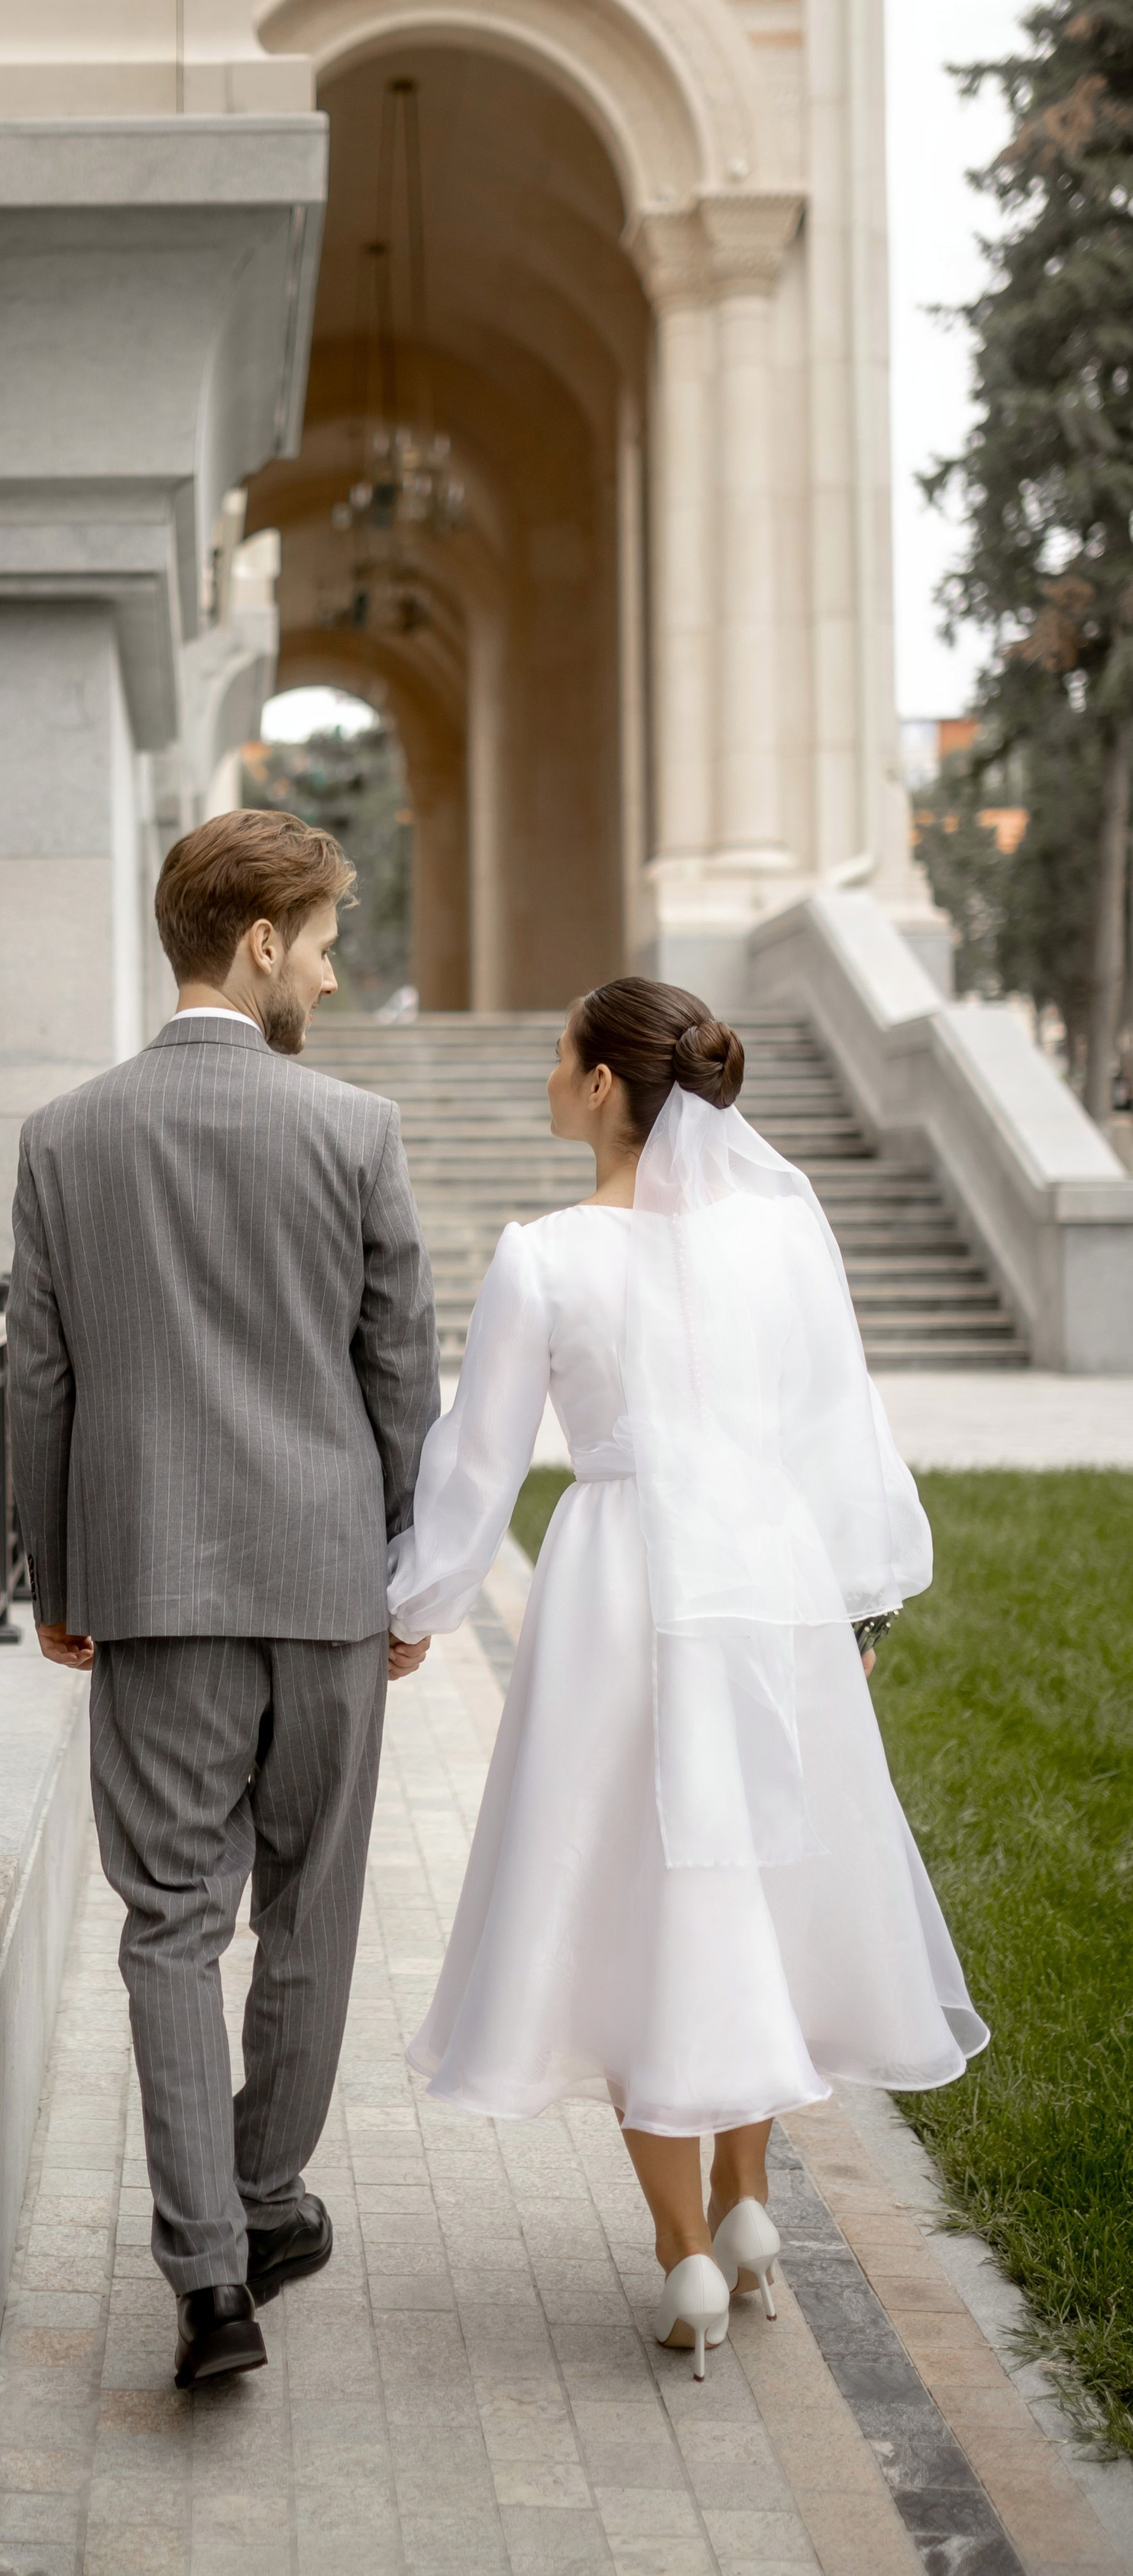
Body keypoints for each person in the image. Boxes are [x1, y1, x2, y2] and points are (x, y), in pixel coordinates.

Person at [385, 978, 988, 2371]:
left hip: (621, 1579)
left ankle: (684, 2259)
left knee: (637, 1902)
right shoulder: (782, 1237)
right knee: (752, 1883)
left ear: (604, 1087)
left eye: (557, 1056)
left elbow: (476, 1467)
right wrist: (858, 1599)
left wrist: (418, 1603)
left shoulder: (546, 1257)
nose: (549, 1078)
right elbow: (844, 1424)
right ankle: (748, 2203)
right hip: (766, 1578)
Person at [6, 808, 441, 2390]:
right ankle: (261, 2201)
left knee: (168, 1926)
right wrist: (410, 1569)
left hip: (151, 1585)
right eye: (320, 937)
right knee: (307, 1910)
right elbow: (400, 1378)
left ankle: (205, 2280)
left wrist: (56, 1577)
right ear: (258, 944)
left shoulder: (63, 1139)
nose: (328, 967)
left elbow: (37, 1382)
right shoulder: (352, 1132)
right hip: (325, 1584)